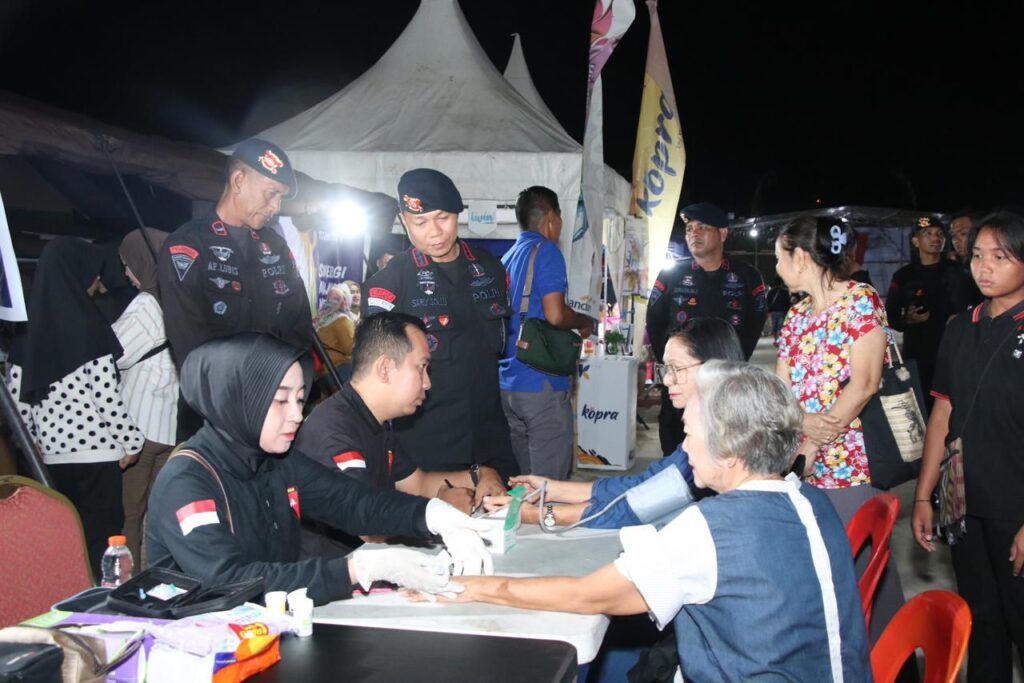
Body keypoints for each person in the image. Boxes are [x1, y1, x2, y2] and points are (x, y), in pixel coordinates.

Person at [442, 362, 871, 682]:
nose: (686, 448)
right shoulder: (812, 500)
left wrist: (471, 586)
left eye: (691, 434)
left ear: (728, 449)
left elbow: (585, 595)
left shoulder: (713, 528)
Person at [146, 332, 493, 605]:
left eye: (300, 399)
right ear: (236, 400)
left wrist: (432, 515)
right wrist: (356, 569)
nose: (297, 415)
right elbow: (229, 581)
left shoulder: (275, 461)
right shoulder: (187, 481)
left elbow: (353, 502)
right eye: (280, 400)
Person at [774, 215, 907, 642]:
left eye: (779, 258)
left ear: (800, 257)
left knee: (865, 570)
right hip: (803, 464)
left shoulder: (861, 301)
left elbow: (864, 384)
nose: (777, 268)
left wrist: (812, 443)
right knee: (822, 574)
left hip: (852, 466)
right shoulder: (795, 315)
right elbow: (781, 389)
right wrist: (799, 426)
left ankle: (892, 659)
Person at [485, 318, 743, 529]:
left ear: (713, 367)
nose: (667, 380)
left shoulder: (714, 443)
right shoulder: (724, 425)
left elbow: (632, 509)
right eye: (666, 369)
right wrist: (551, 490)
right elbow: (642, 485)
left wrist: (537, 514)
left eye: (677, 368)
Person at [912, 210, 1024, 682]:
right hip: (963, 503)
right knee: (981, 625)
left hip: (1015, 508)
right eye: (978, 255)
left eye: (1000, 257)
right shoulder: (961, 327)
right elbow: (942, 413)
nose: (985, 267)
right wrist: (924, 495)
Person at [295, 313, 508, 556]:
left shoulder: (373, 421)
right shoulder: (333, 433)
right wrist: (437, 511)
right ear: (385, 368)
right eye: (421, 367)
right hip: (339, 571)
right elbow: (368, 528)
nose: (427, 383)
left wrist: (482, 475)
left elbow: (419, 484)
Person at [361, 168, 517, 480]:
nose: (434, 232)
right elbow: (375, 378)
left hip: (491, 440)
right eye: (420, 223)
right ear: (404, 221)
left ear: (458, 214)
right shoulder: (389, 285)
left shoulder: (490, 270)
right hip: (426, 448)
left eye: (443, 218)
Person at [157, 139, 313, 442]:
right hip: (212, 418)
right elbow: (191, 347)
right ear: (239, 180)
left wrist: (289, 395)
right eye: (271, 193)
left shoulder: (276, 247)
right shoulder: (188, 246)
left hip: (274, 413)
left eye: (281, 198)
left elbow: (299, 328)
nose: (275, 207)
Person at [7, 238, 144, 574]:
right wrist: (132, 442)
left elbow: (18, 405)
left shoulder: (27, 334)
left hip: (51, 460)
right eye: (92, 273)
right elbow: (107, 398)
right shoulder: (90, 327)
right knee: (102, 542)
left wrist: (35, 443)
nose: (97, 282)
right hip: (98, 457)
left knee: (64, 541)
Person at [646, 202, 767, 455]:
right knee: (675, 443)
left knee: (723, 448)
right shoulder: (672, 274)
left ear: (722, 233)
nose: (694, 234)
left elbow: (754, 324)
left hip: (726, 381)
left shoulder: (746, 275)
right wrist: (672, 364)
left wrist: (734, 360)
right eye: (690, 228)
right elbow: (654, 321)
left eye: (703, 227)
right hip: (681, 380)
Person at [498, 186, 594, 479]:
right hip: (541, 384)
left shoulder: (507, 257)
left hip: (509, 386)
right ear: (551, 217)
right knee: (550, 488)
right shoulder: (547, 251)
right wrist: (583, 321)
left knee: (526, 483)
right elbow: (555, 314)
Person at [111, 228, 179, 565]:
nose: (126, 272)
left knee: (130, 514)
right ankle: (157, 576)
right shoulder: (181, 301)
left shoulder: (145, 304)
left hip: (138, 427)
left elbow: (115, 353)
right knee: (157, 516)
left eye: (128, 263)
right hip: (169, 426)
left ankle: (128, 579)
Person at [885, 215, 973, 404]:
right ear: (916, 241)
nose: (935, 238)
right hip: (918, 356)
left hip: (953, 353)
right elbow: (890, 316)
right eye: (928, 233)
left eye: (940, 234)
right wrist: (908, 320)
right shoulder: (903, 276)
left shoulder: (960, 272)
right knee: (921, 405)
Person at [313, 283, 356, 382]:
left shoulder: (319, 319)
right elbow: (351, 348)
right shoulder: (342, 320)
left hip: (320, 372)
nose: (331, 302)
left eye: (336, 299)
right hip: (337, 369)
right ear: (345, 302)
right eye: (329, 298)